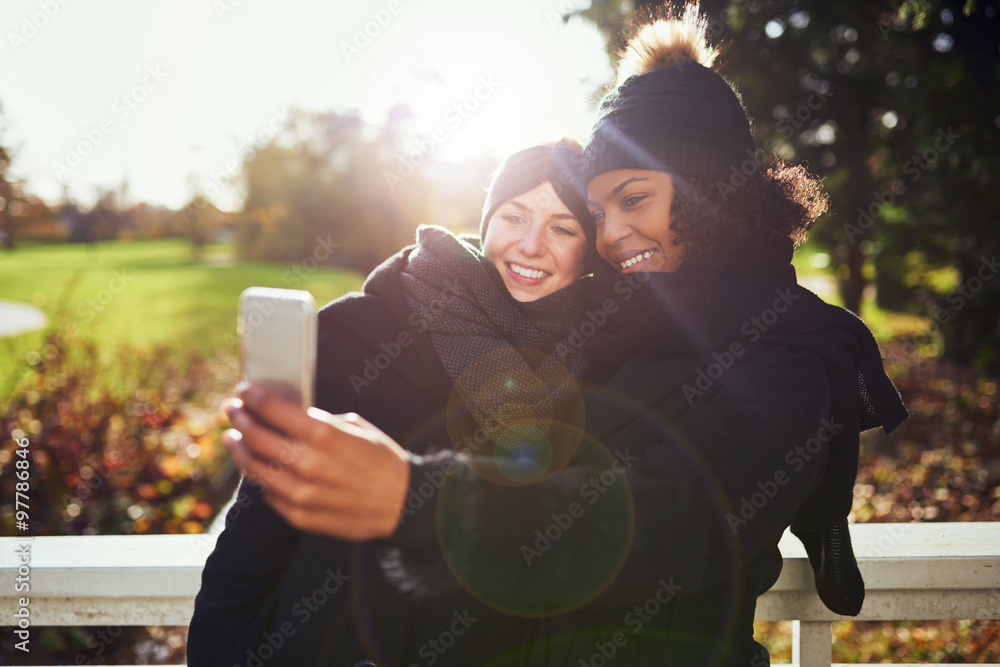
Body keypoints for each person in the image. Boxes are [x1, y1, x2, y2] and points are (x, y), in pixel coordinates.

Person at [187, 141, 598, 666]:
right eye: (514, 216)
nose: (531, 244)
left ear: (588, 251)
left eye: (563, 228)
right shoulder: (359, 335)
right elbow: (256, 537)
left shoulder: (600, 368)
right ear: (488, 220)